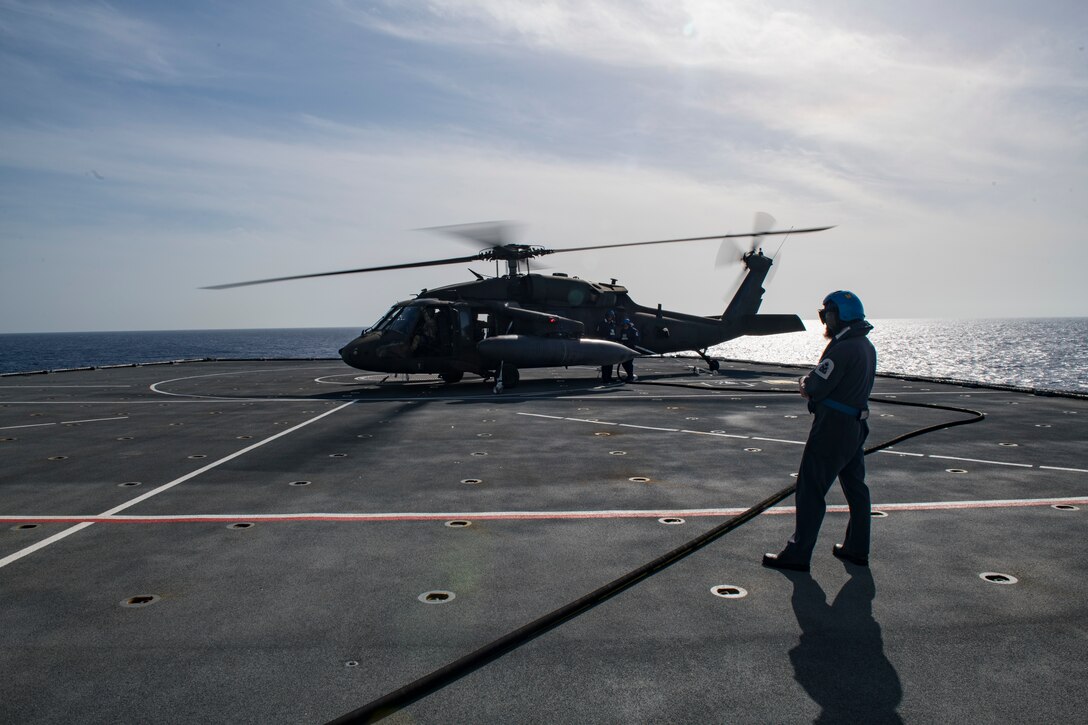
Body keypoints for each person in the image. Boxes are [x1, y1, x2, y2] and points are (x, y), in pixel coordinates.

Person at [763, 290, 877, 573]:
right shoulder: (865, 345)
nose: (825, 320)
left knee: (810, 489)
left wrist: (803, 382)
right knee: (856, 489)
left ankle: (798, 554)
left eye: (827, 314)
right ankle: (857, 548)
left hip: (832, 429)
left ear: (840, 316)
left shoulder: (843, 348)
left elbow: (814, 386)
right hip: (855, 426)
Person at [595, 310, 619, 383]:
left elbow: (614, 334)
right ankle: (605, 378)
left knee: (610, 363)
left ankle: (609, 377)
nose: (610, 318)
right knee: (605, 363)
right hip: (605, 346)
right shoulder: (602, 324)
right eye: (609, 316)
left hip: (612, 345)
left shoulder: (613, 324)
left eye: (611, 316)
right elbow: (598, 334)